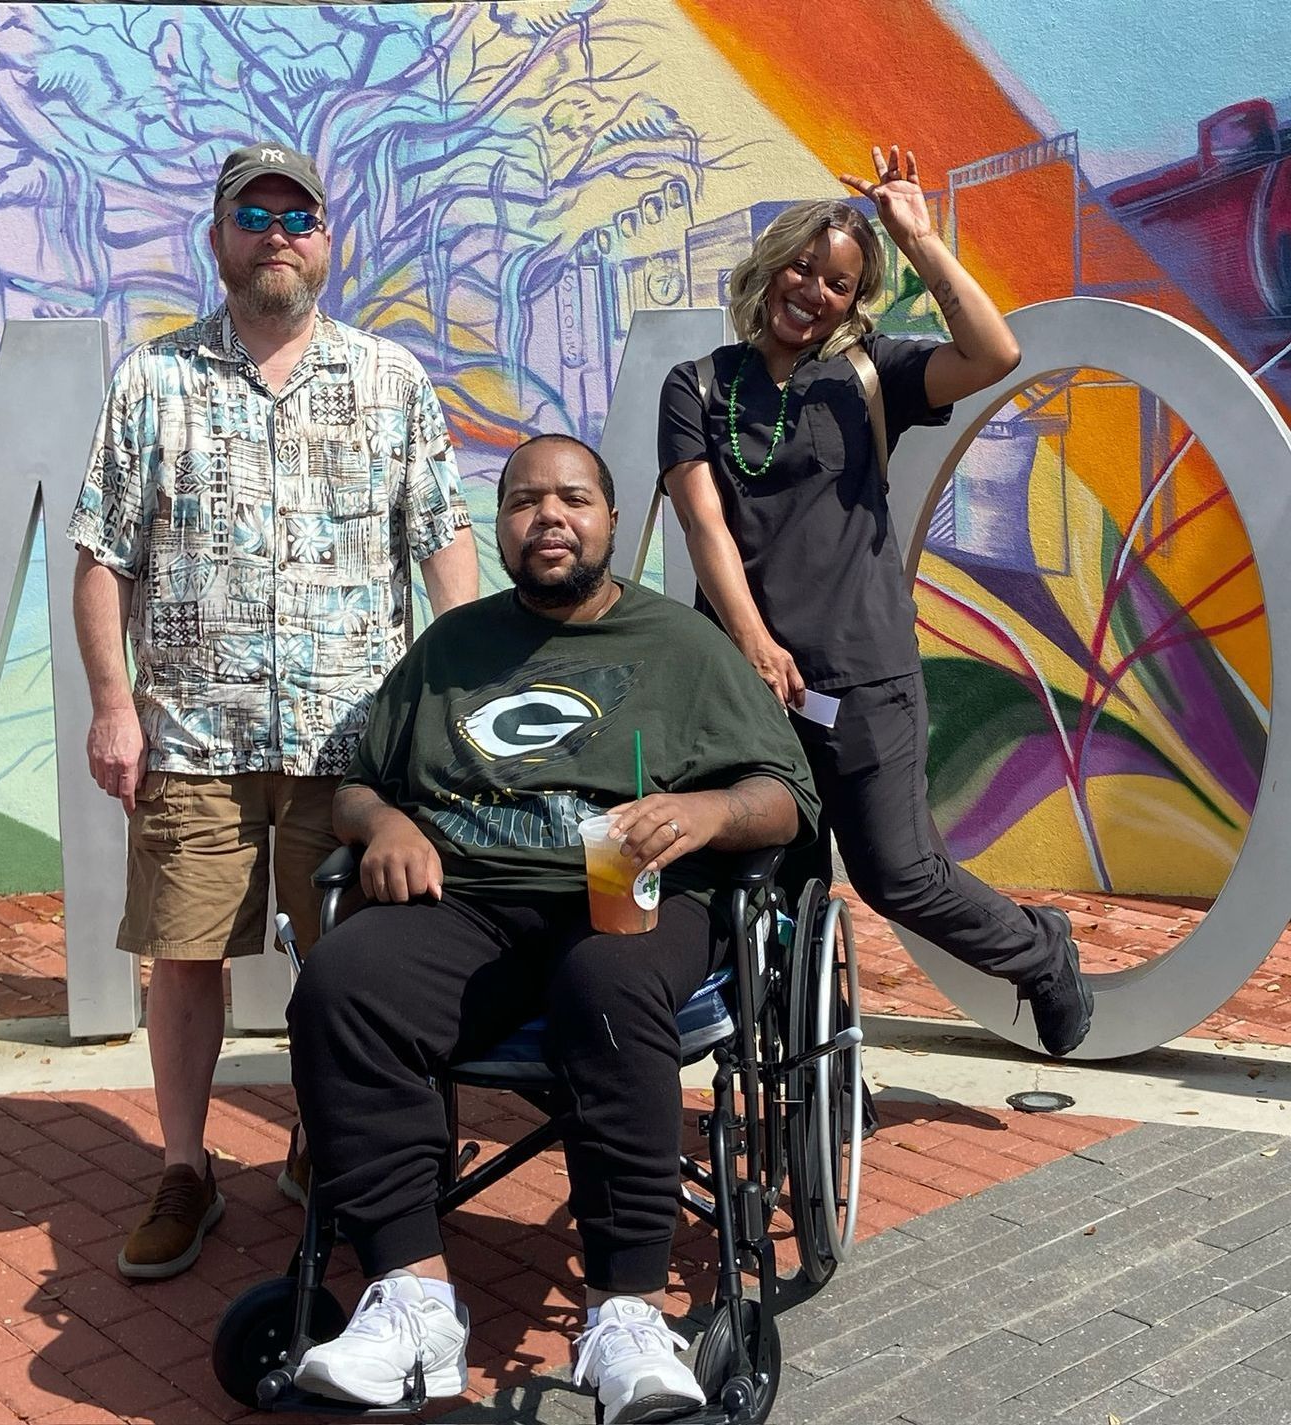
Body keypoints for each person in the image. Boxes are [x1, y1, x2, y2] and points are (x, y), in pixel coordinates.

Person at [284, 433, 820, 1422]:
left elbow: (781, 798)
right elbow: (356, 785)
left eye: (573, 498)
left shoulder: (681, 646)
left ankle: (625, 1313)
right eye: (525, 501)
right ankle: (412, 1304)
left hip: (632, 896)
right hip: (472, 901)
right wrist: (385, 823)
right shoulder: (453, 648)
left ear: (612, 520)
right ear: (501, 528)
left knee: (605, 983)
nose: (549, 517)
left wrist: (703, 816)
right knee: (342, 980)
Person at [68, 140, 479, 1282]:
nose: (278, 234)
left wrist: (464, 703)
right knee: (185, 955)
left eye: (299, 217)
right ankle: (186, 1169)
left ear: (328, 241)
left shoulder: (390, 381)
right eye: (254, 214)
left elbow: (442, 545)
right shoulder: (152, 381)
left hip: (355, 747)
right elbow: (104, 557)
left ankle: (326, 1138)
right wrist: (114, 707)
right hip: (195, 736)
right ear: (218, 239)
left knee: (351, 962)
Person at [657, 145, 1093, 1057]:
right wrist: (753, 643)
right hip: (747, 685)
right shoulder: (698, 385)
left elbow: (995, 351)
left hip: (864, 677)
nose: (814, 290)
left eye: (842, 283)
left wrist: (921, 239)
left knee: (900, 874)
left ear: (856, 302)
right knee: (771, 884)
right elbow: (704, 523)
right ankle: (807, 1069)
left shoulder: (870, 376)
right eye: (805, 268)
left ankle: (1038, 953)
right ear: (772, 263)